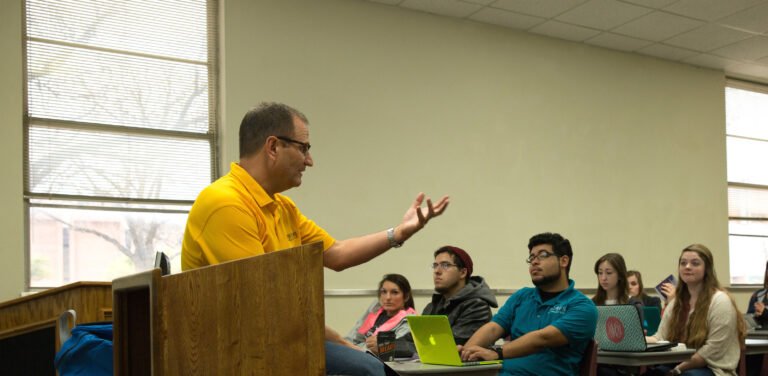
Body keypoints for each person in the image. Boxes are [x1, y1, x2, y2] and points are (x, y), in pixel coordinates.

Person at [181, 102, 450, 376]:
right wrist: (342, 343)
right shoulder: (226, 203)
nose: (309, 161)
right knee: (368, 371)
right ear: (273, 147)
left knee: (374, 367)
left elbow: (338, 253)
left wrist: (399, 233)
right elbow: (265, 307)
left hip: (274, 342)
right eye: (303, 148)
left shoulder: (282, 208)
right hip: (239, 352)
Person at [458, 232, 598, 376]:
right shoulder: (522, 296)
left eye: (543, 255)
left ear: (563, 261)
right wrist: (466, 353)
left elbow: (543, 338)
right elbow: (493, 328)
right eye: (531, 257)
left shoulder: (582, 306)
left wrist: (496, 352)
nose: (534, 262)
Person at [646, 244, 746, 376]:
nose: (687, 267)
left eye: (695, 263)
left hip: (713, 369)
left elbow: (711, 351)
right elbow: (660, 338)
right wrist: (636, 339)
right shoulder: (676, 303)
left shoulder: (720, 301)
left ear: (707, 269)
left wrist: (678, 369)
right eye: (683, 263)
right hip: (677, 365)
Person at [421, 245, 498, 345]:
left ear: (462, 273)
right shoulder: (432, 306)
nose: (437, 271)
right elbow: (412, 338)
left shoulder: (477, 307)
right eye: (435, 265)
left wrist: (421, 343)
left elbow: (447, 344)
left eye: (445, 265)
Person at [345, 274, 416, 354]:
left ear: (406, 297)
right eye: (384, 292)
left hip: (374, 360)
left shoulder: (409, 320)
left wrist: (353, 348)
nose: (388, 297)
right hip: (356, 352)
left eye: (394, 292)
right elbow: (353, 335)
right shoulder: (375, 309)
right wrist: (342, 345)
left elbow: (390, 350)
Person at [747, 261, 768, 327]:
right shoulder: (757, 295)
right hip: (759, 336)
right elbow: (748, 320)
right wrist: (755, 316)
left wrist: (765, 313)